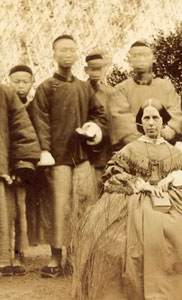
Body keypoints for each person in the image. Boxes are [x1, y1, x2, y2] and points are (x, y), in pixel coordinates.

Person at [73, 99, 182, 300]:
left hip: (173, 200)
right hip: (136, 200)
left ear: (163, 122)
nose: (151, 123)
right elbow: (112, 173)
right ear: (140, 123)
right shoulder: (131, 149)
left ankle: (177, 291)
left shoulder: (173, 151)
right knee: (121, 241)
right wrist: (138, 183)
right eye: (146, 118)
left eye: (155, 118)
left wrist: (173, 178)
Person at [28, 34, 107, 278]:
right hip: (57, 158)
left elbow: (99, 115)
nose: (68, 54)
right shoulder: (45, 88)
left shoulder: (84, 87)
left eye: (72, 50)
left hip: (82, 157)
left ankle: (77, 256)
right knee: (59, 207)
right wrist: (45, 150)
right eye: (63, 50)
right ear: (54, 54)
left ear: (76, 54)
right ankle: (55, 256)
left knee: (83, 205)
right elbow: (39, 121)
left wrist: (93, 129)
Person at [109, 40, 182, 149]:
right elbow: (122, 122)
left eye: (145, 55)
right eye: (136, 56)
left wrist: (166, 133)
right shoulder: (121, 89)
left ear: (153, 58)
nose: (141, 59)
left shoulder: (166, 86)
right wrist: (146, 142)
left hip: (164, 146)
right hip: (135, 149)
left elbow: (174, 113)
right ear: (129, 60)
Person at [0, 84, 40, 276]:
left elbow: (21, 127)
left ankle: (3, 261)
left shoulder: (5, 93)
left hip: (0, 168)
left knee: (3, 216)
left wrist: (22, 161)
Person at [8, 64, 36, 275]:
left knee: (21, 209)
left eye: (24, 81)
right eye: (16, 81)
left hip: (27, 165)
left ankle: (19, 251)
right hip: (7, 163)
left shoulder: (34, 108)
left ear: (31, 83)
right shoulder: (5, 105)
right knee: (7, 209)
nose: (20, 85)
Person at [84, 49, 114, 195]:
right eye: (92, 68)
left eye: (99, 68)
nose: (96, 72)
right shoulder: (81, 91)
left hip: (107, 147)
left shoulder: (110, 92)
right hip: (87, 148)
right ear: (86, 70)